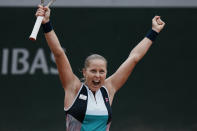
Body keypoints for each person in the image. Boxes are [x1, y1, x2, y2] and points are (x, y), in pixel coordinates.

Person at [35, 5, 165, 131]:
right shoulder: (73, 88)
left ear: (106, 73)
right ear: (84, 72)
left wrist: (154, 32)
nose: (98, 75)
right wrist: (46, 24)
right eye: (93, 71)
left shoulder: (108, 89)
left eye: (101, 71)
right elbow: (58, 53)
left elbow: (134, 57)